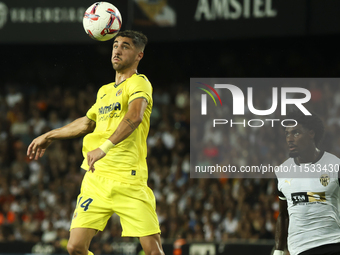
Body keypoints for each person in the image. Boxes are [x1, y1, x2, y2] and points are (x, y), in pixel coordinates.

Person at [27, 30, 164, 255]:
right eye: (115, 45)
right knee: (75, 246)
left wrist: (104, 147)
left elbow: (135, 116)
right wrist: (49, 135)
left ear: (139, 55)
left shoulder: (140, 83)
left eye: (125, 46)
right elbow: (86, 123)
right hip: (96, 180)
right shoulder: (104, 91)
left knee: (153, 251)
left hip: (128, 180)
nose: (117, 50)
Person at [274, 111, 340, 255]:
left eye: (296, 133)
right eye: (287, 134)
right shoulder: (282, 171)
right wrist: (278, 249)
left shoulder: (335, 164)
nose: (290, 139)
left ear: (311, 133)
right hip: (300, 249)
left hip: (333, 243)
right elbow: (283, 214)